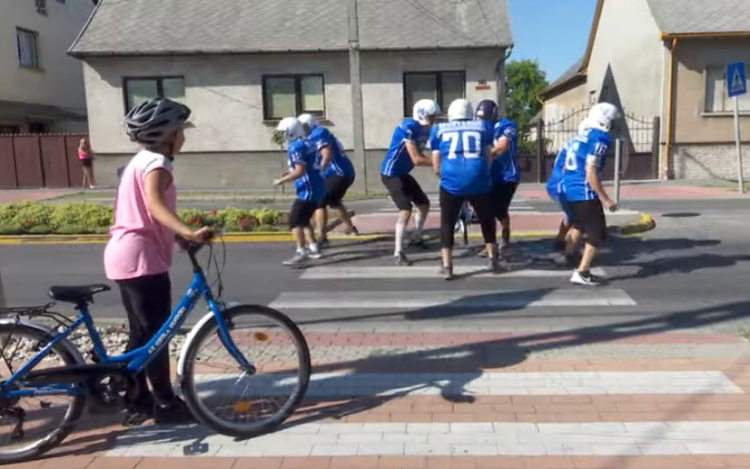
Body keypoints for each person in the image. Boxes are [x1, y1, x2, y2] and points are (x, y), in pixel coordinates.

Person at [104, 98, 212, 426]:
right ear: (167, 135)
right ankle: (165, 403)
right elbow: (153, 205)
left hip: (125, 254)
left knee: (142, 333)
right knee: (156, 338)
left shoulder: (140, 161)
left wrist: (177, 236)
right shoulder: (157, 164)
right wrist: (190, 232)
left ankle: (134, 398)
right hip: (140, 257)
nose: (183, 136)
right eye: (180, 130)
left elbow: (145, 210)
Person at [431, 99, 499, 280]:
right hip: (477, 177)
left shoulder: (438, 130)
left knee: (447, 222)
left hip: (451, 180)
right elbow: (488, 156)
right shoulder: (483, 126)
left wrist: (446, 178)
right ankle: (493, 258)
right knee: (486, 219)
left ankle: (447, 266)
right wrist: (482, 175)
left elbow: (436, 165)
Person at [559, 102, 621, 286]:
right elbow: (590, 171)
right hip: (584, 191)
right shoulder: (600, 138)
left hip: (570, 188)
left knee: (578, 224)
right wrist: (606, 198)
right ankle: (582, 271)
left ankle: (568, 254)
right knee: (597, 234)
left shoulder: (579, 136)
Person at [381, 99, 441, 266]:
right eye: (432, 116)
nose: (434, 120)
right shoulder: (407, 127)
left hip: (402, 172)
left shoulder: (426, 130)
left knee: (423, 204)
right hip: (391, 173)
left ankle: (416, 237)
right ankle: (398, 252)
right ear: (422, 114)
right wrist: (436, 164)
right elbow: (416, 159)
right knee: (405, 210)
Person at [297, 114, 358, 246]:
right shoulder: (310, 137)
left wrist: (319, 171)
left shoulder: (319, 132)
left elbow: (326, 155)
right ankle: (350, 228)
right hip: (342, 172)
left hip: (339, 172)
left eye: (304, 126)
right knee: (334, 202)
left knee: (319, 202)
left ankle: (322, 237)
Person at [273, 117, 326, 266]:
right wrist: (289, 173)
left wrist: (281, 181)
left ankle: (301, 251)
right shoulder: (309, 142)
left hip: (307, 190)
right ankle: (313, 247)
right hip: (317, 187)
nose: (283, 136)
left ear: (291, 132)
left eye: (284, 132)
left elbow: (300, 171)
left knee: (294, 221)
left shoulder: (296, 147)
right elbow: (304, 166)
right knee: (304, 220)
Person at [481, 101, 520, 253]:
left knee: (499, 209)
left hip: (507, 175)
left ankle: (505, 236)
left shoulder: (506, 125)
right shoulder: (482, 127)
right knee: (487, 210)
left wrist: (485, 157)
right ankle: (492, 243)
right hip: (489, 175)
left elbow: (502, 147)